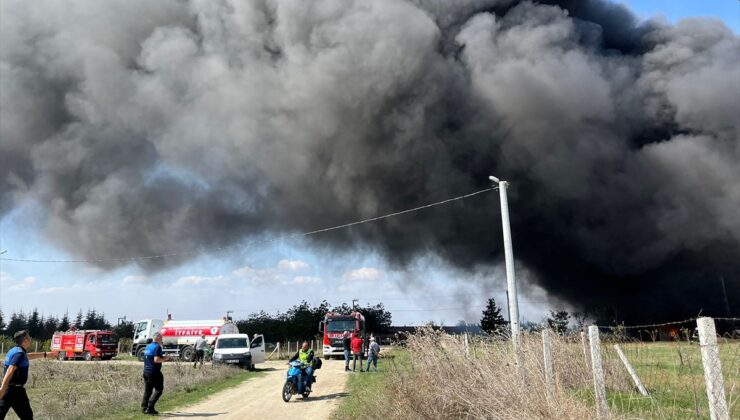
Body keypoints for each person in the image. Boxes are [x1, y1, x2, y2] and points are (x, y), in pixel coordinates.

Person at [0, 331, 47, 420]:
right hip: (11, 391)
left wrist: (45, 354)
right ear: (25, 340)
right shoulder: (20, 354)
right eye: (29, 337)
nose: (30, 339)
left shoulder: (15, 350)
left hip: (16, 391)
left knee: (27, 416)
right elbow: (11, 368)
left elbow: (28, 356)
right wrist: (2, 388)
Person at [141, 333, 171, 415]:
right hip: (154, 372)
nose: (162, 339)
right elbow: (156, 360)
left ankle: (144, 408)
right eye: (161, 338)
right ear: (158, 338)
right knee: (159, 390)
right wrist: (166, 358)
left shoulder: (148, 347)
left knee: (148, 391)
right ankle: (150, 407)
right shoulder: (157, 347)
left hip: (146, 371)